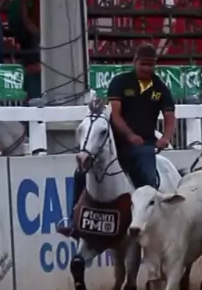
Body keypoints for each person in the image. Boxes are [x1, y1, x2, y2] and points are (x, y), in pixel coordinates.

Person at [57, 43, 176, 237]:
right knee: (81, 172)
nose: (147, 68)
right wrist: (129, 135)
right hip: (115, 141)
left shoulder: (160, 87)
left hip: (145, 143)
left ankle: (149, 223)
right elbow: (116, 115)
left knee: (148, 179)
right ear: (135, 62)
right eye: (143, 64)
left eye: (151, 65)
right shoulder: (120, 82)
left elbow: (170, 116)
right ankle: (72, 219)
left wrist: (166, 137)